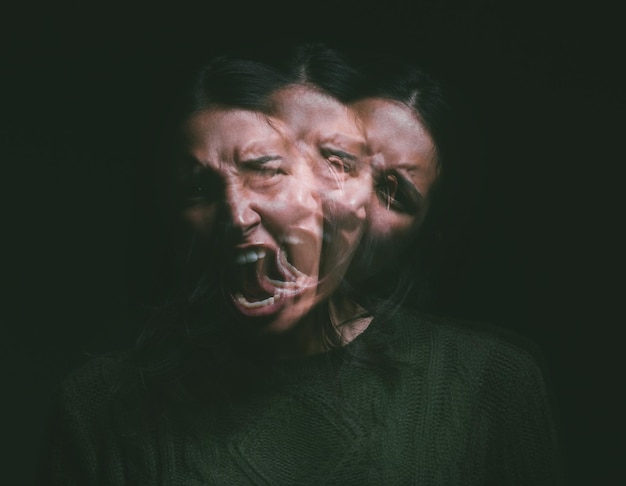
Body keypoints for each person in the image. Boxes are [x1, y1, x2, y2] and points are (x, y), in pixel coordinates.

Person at [39, 43, 563, 485]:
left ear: (425, 237)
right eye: (330, 161)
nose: (343, 199)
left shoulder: (488, 382)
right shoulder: (102, 406)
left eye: (391, 191)